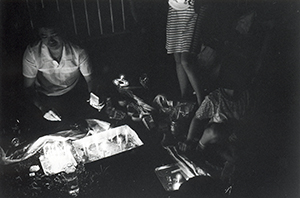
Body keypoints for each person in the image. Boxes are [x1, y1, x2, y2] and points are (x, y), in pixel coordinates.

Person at [22, 10, 102, 125]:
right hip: (45, 97)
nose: (51, 41)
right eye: (44, 36)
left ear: (63, 32)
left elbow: (90, 79)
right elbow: (28, 88)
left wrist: (94, 95)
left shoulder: (78, 51)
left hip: (74, 93)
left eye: (54, 34)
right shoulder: (32, 53)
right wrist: (42, 107)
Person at [178, 53, 254, 165]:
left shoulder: (244, 96)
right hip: (213, 136)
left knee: (237, 159)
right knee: (214, 131)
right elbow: (197, 118)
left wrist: (236, 131)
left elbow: (243, 119)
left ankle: (219, 155)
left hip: (229, 135)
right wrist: (189, 140)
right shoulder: (215, 99)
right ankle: (200, 149)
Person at [166, 0, 203, 105]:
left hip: (190, 10)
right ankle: (184, 98)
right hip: (174, 9)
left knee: (185, 61)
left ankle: (202, 101)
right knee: (177, 58)